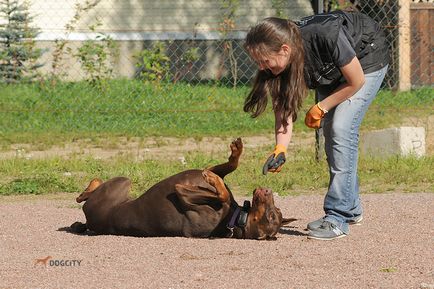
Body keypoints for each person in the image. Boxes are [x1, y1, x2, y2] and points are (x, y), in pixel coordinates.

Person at [243, 10, 389, 240]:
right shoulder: (281, 63)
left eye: (264, 61)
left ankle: (337, 218)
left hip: (365, 61)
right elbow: (283, 108)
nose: (261, 67)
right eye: (258, 62)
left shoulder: (324, 36)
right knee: (331, 132)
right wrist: (281, 147)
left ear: (285, 49)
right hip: (331, 70)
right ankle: (351, 209)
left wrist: (321, 107)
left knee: (340, 128)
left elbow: (356, 81)